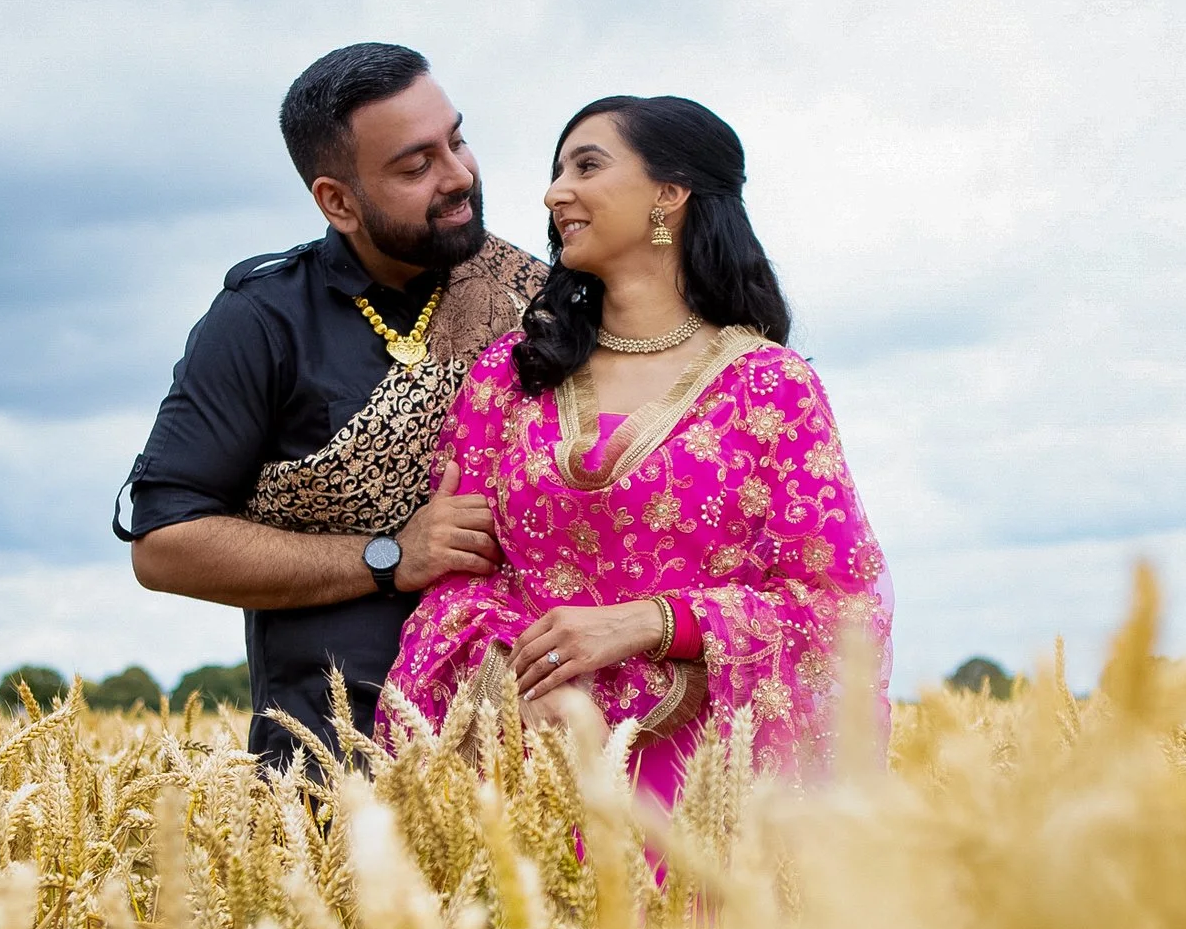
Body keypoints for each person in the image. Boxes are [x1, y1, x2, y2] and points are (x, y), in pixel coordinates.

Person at [381, 95, 890, 802]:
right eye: (558, 170)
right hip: (533, 766)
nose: (556, 192)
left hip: (706, 784)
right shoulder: (511, 376)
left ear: (669, 193)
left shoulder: (769, 387)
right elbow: (458, 580)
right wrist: (515, 683)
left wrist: (650, 622)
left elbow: (838, 607)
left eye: (586, 166)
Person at [115, 44, 547, 766]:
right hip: (334, 769)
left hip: (535, 756)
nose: (459, 175)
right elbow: (164, 546)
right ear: (337, 200)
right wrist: (389, 557)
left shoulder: (540, 301)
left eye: (459, 139)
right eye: (416, 166)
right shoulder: (262, 321)